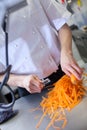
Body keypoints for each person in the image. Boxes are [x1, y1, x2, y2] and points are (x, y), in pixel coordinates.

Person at [0, 0, 83, 97]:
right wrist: (21, 81)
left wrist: (66, 52)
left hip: (64, 71)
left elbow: (62, 25)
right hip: (30, 87)